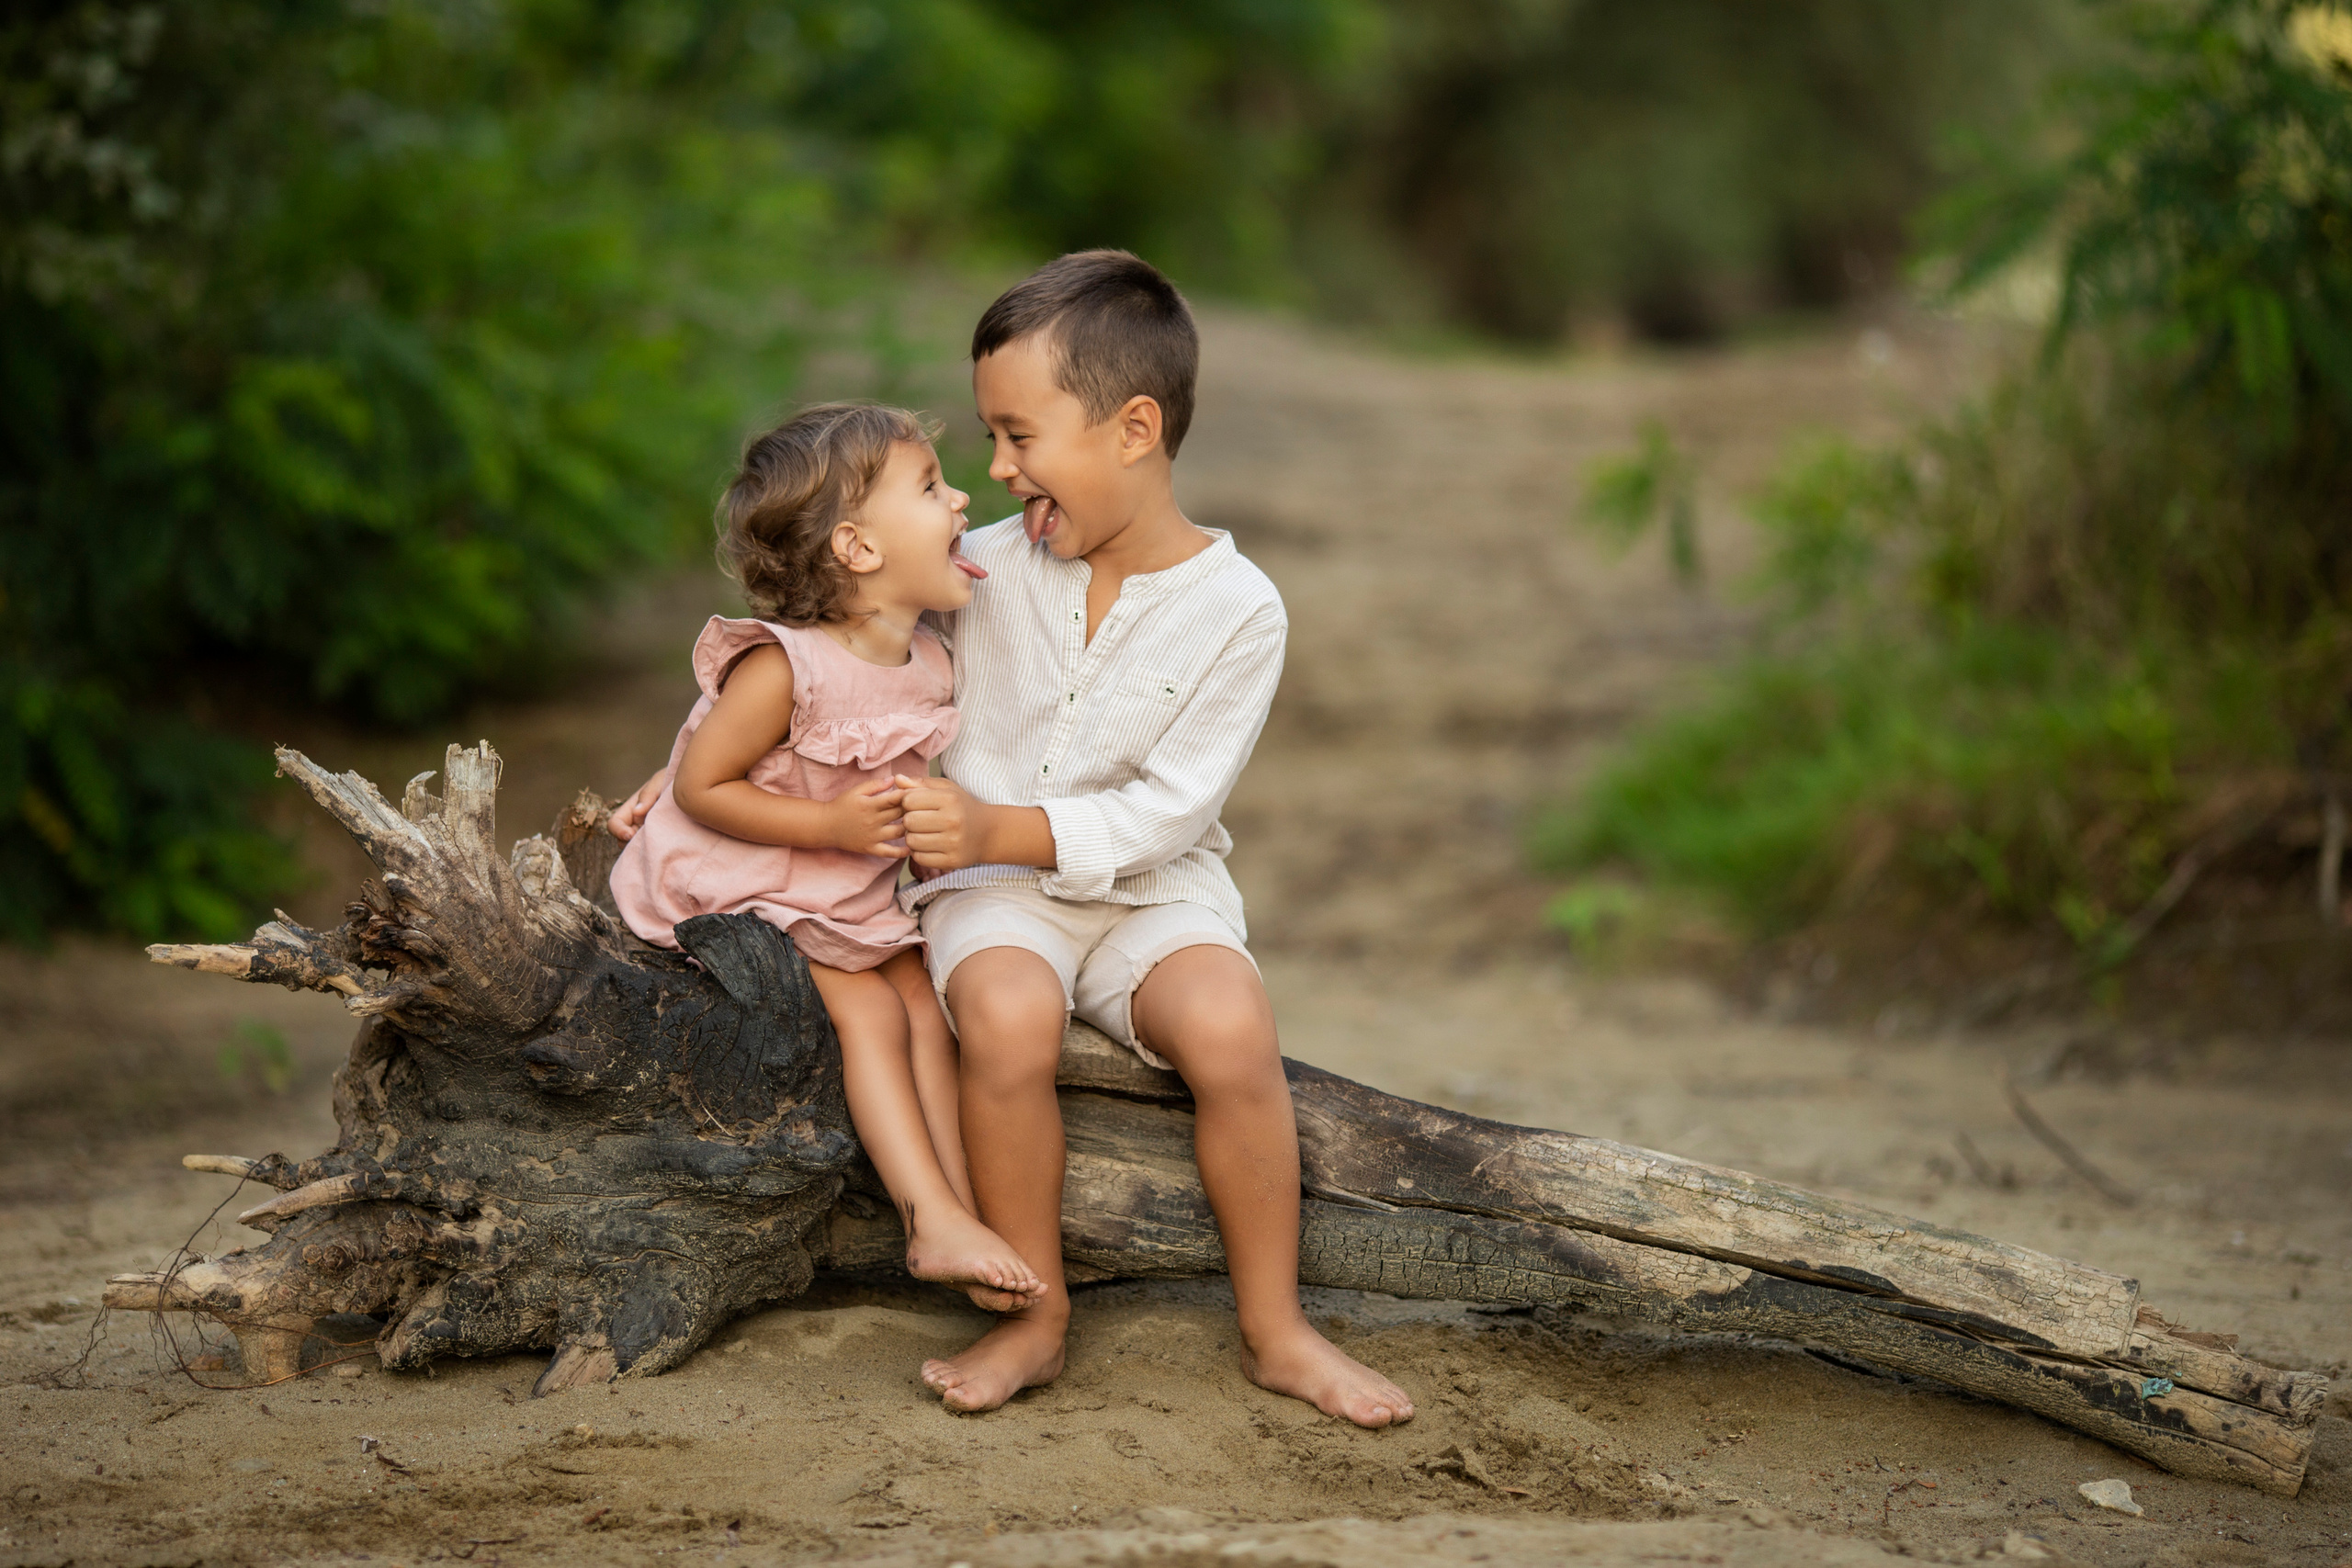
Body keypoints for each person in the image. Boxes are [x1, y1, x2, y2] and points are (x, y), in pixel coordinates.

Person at [886, 251, 1416, 1427]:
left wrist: (1000, 820)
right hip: (989, 886)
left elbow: (1168, 809)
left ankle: (1275, 1329)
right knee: (1011, 1017)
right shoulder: (978, 570)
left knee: (1232, 1030)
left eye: (1019, 436)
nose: (996, 469)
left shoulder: (1241, 609)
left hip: (1155, 888)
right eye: (989, 438)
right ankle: (1035, 1313)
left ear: (1132, 429)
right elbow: (845, 641)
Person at [608, 401, 1043, 1314]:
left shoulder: (925, 658)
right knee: (871, 1015)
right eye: (930, 487)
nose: (962, 496)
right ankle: (927, 1216)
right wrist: (834, 830)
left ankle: (964, 1209)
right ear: (858, 548)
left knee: (924, 1001)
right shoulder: (785, 664)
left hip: (830, 888)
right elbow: (705, 786)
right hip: (742, 880)